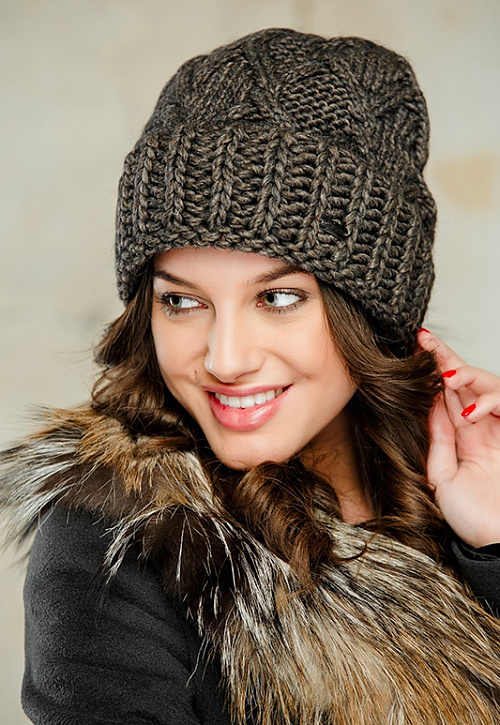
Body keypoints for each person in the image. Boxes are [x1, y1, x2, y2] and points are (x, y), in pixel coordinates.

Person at [1, 27, 500, 725]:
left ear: (372, 310)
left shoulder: (455, 489)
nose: (225, 358)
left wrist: (490, 543)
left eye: (279, 297)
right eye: (182, 301)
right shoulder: (118, 540)